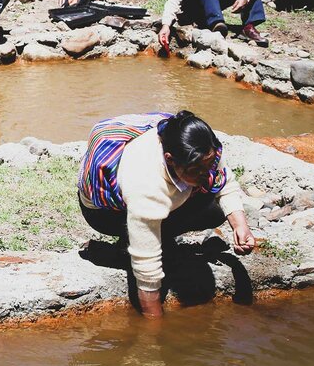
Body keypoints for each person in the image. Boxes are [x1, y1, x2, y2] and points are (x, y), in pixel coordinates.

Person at [77, 110, 256, 318]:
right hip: (105, 215)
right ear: (170, 159)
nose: (206, 174)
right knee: (145, 249)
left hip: (154, 197)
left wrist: (240, 226)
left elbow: (225, 183)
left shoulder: (203, 147)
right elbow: (147, 268)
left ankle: (156, 234)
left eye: (208, 165)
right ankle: (129, 241)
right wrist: (154, 330)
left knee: (215, 212)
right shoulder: (145, 183)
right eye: (196, 170)